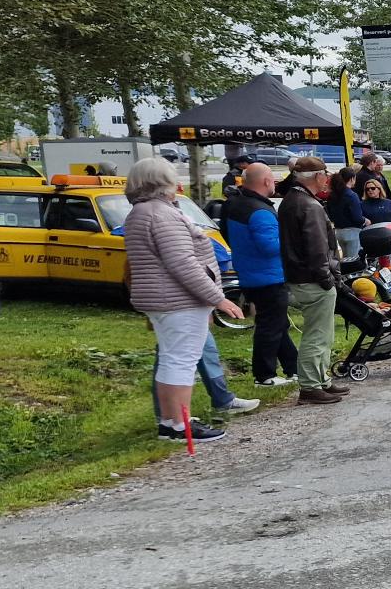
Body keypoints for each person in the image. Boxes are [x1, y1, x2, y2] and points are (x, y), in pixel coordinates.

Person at [124, 157, 247, 443]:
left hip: (161, 298)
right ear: (162, 182)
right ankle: (181, 424)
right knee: (182, 362)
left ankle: (170, 422)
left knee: (171, 359)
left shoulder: (140, 212)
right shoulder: (162, 215)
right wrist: (219, 299)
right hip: (179, 299)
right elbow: (183, 263)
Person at [278, 156, 349, 406]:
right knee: (317, 335)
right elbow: (317, 248)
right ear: (318, 176)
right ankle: (310, 386)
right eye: (325, 174)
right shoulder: (309, 205)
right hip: (312, 279)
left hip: (300, 276)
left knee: (322, 333)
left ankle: (321, 379)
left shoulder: (292, 200)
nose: (327, 179)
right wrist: (327, 278)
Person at [221, 162, 297, 386]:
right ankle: (264, 375)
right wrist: (291, 240)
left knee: (278, 324)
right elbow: (270, 246)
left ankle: (293, 368)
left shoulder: (234, 204)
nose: (274, 184)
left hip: (249, 272)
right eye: (273, 179)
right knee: (270, 326)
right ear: (265, 181)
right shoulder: (260, 211)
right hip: (268, 276)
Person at [328, 165, 368, 262]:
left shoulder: (333, 194)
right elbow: (357, 217)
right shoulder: (351, 195)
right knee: (354, 261)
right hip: (352, 231)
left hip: (339, 231)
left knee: (345, 260)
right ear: (352, 178)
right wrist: (365, 220)